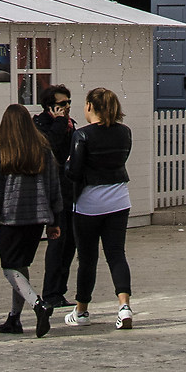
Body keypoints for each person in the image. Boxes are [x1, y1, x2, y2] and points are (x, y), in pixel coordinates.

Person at [0, 103, 62, 337]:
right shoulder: (43, 150)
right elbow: (53, 186)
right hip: (37, 219)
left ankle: (39, 305)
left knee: (9, 268)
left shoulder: (3, 152)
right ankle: (14, 318)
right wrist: (55, 220)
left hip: (12, 219)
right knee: (21, 266)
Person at [64, 87, 134, 330]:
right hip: (119, 199)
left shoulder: (81, 135)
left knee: (88, 258)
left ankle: (82, 310)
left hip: (89, 202)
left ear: (90, 107)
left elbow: (74, 172)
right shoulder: (124, 132)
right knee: (116, 254)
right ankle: (124, 306)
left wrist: (66, 165)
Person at [32, 84, 76, 307]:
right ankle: (50, 293)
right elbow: (50, 148)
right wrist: (59, 123)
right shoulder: (40, 125)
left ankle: (60, 290)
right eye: (61, 104)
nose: (67, 107)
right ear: (50, 107)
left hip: (70, 189)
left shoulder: (69, 124)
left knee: (70, 243)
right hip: (52, 191)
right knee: (58, 241)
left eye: (68, 102)